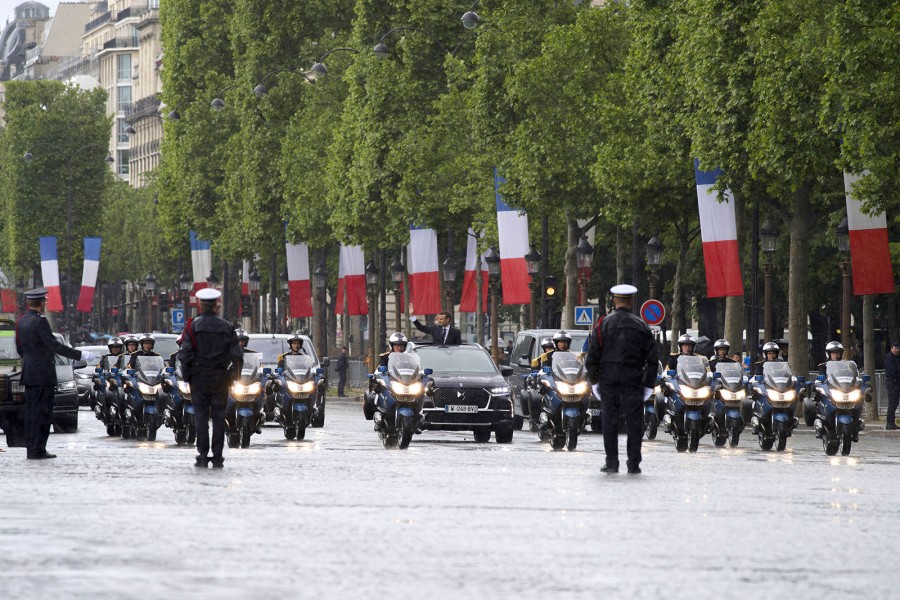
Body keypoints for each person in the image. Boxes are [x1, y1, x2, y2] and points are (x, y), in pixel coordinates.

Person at [584, 284, 658, 475]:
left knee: (610, 422)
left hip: (609, 380)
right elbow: (652, 360)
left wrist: (595, 382)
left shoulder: (602, 325)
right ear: (632, 301)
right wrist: (648, 385)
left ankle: (612, 462)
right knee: (634, 423)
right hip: (634, 380)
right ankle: (633, 463)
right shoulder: (642, 326)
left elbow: (591, 358)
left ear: (614, 300)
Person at [14, 288, 95, 459]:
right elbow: (54, 345)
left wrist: (31, 360)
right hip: (43, 374)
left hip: (29, 373)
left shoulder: (21, 321)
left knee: (31, 413)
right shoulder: (40, 322)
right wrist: (79, 354)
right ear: (42, 303)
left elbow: (20, 348)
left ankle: (31, 448)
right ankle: (39, 449)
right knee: (43, 412)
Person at [177, 288, 243, 468]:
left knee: (201, 417)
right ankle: (218, 456)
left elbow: (185, 354)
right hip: (220, 377)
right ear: (216, 304)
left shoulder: (193, 326)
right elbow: (237, 356)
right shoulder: (227, 327)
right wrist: (234, 377)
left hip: (198, 378)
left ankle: (202, 455)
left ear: (200, 304)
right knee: (219, 416)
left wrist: (186, 376)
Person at [884, 341, 900, 430]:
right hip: (892, 383)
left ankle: (891, 423)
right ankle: (890, 423)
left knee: (895, 403)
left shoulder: (897, 357)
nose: (897, 350)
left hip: (897, 383)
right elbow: (892, 371)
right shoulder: (889, 358)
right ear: (891, 348)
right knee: (892, 403)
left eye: (898, 348)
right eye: (895, 348)